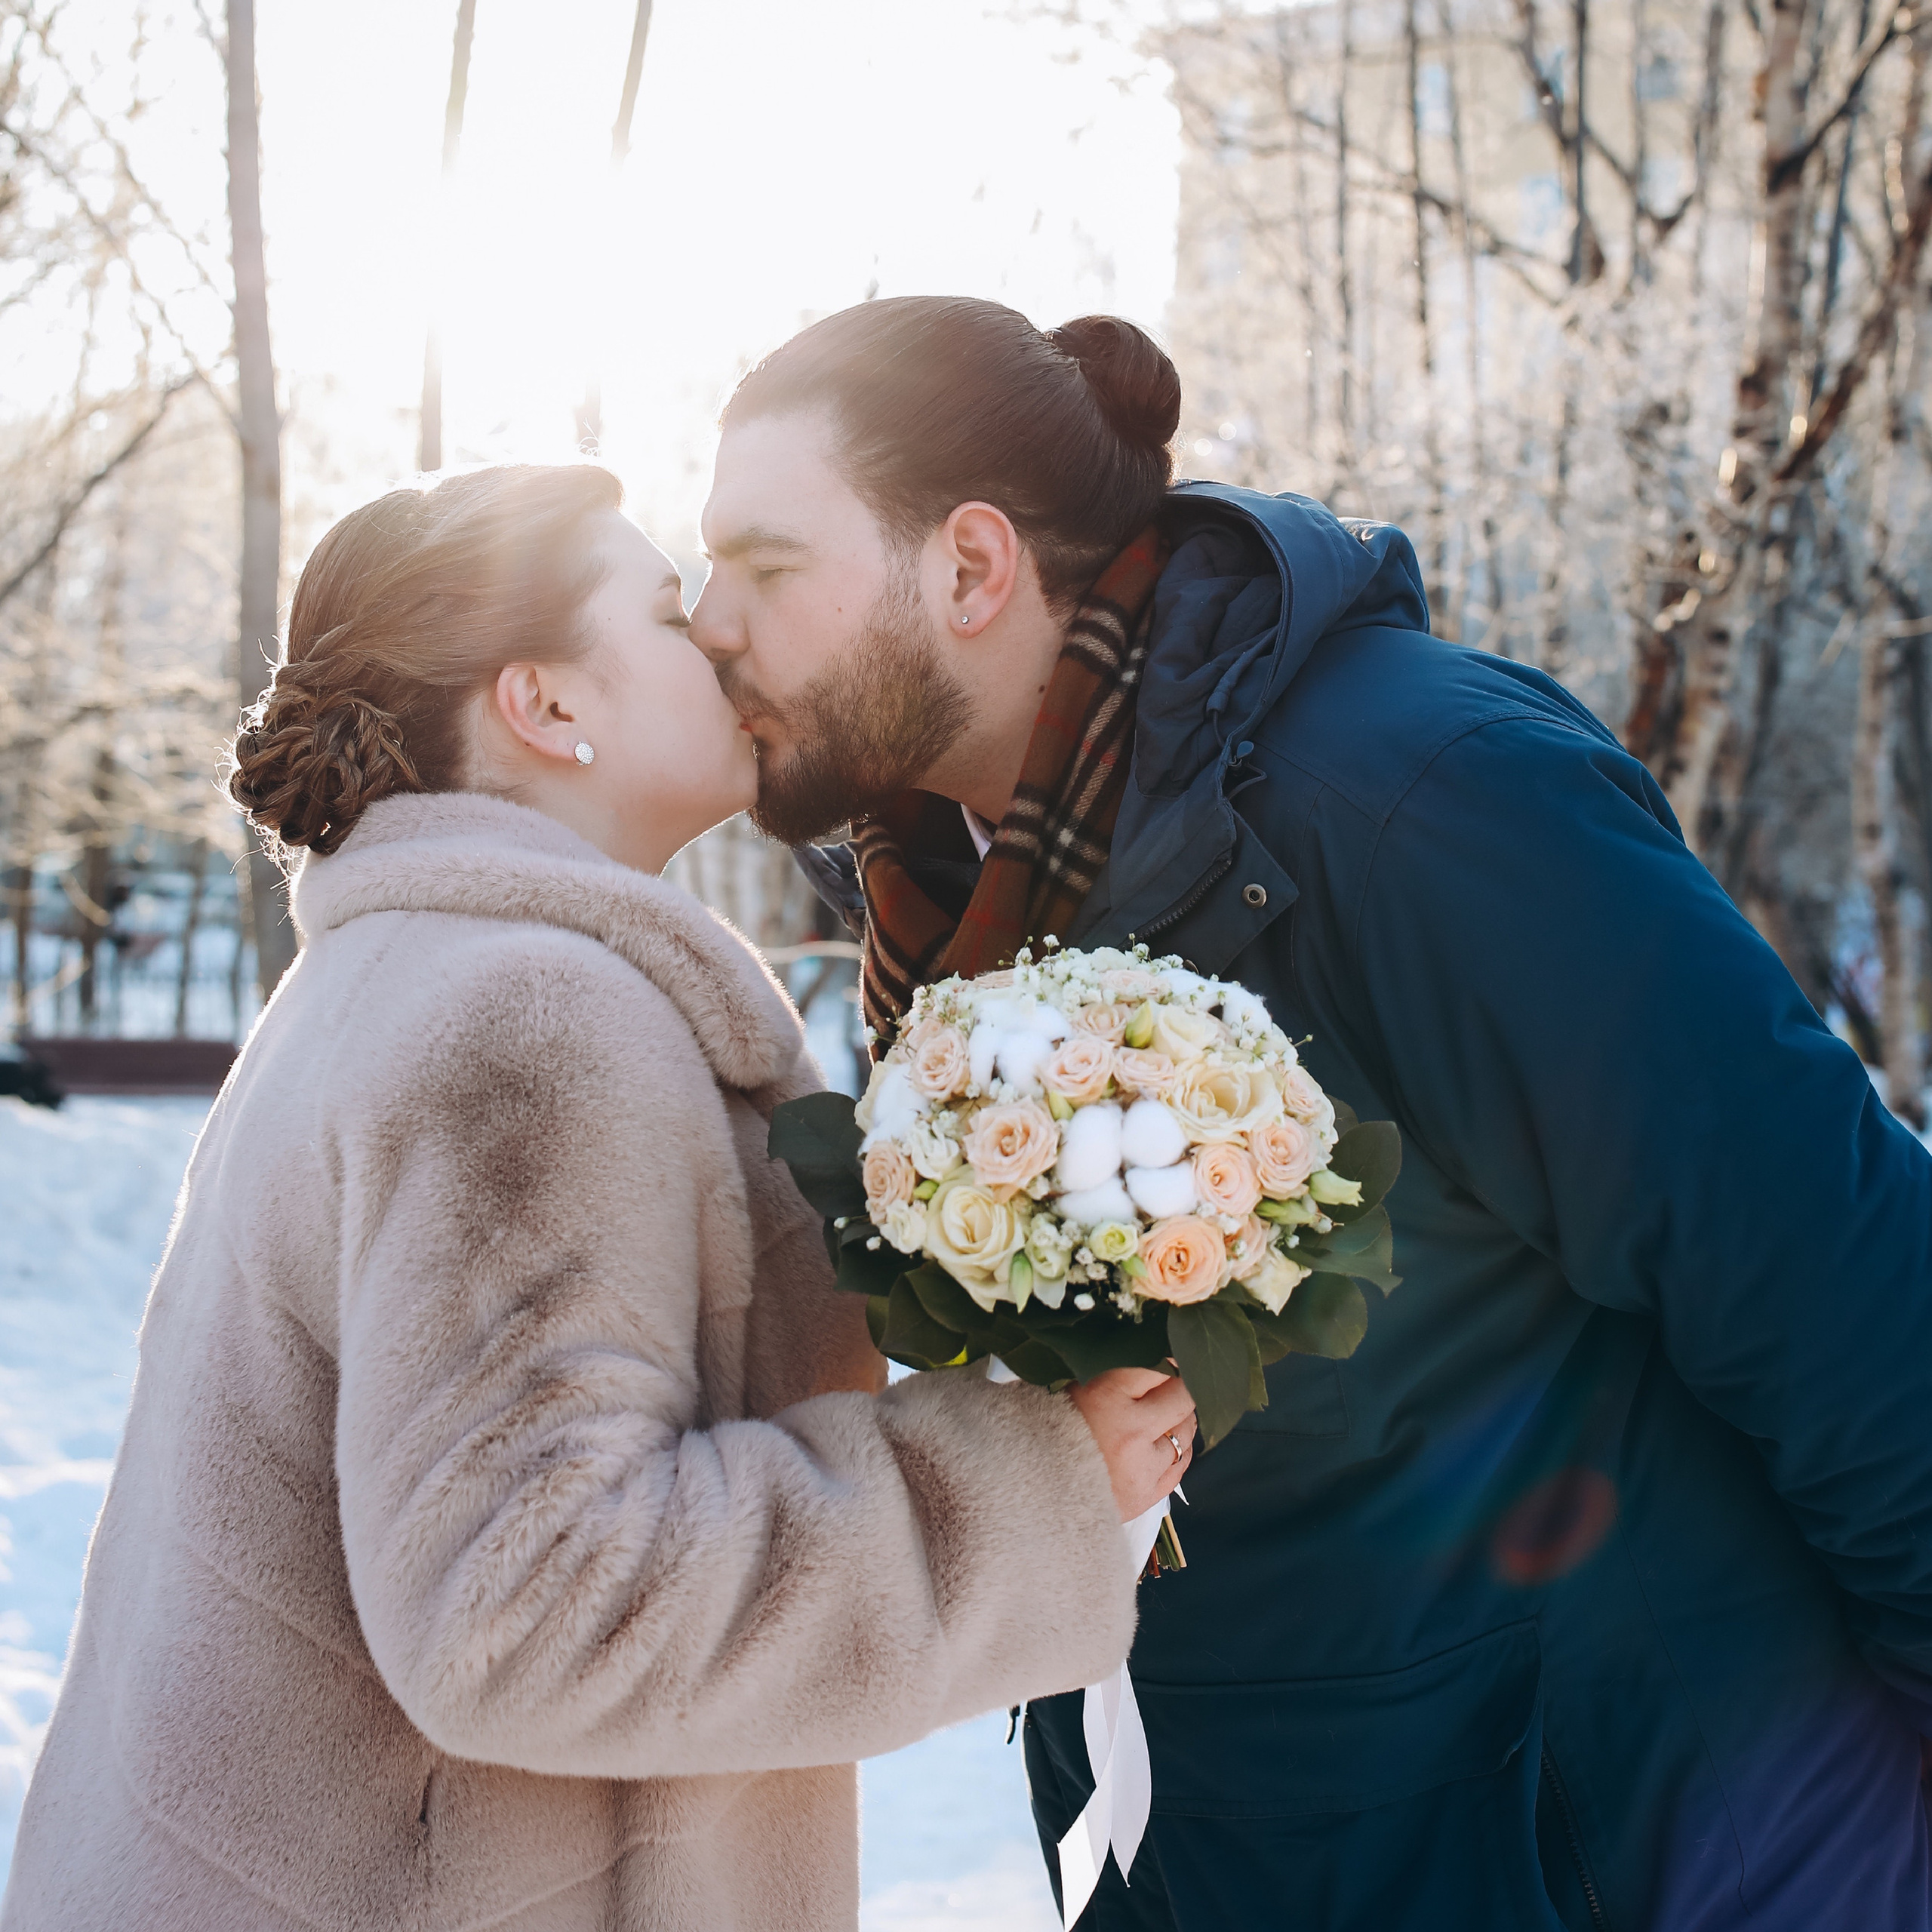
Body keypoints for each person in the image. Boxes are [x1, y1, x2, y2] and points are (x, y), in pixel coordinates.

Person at [689, 294, 1932, 1930]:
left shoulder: (1414, 799)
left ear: (971, 569)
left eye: (764, 565)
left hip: (1640, 1850)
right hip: (1223, 1845)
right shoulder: (941, 904)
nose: (707, 619)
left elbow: (1840, 1287)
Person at [0, 462, 1200, 1932]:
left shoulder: (403, 978)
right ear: (546, 706)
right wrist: (1019, 1492)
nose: (717, 631)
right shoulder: (523, 1017)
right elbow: (528, 1603)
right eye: (658, 608)